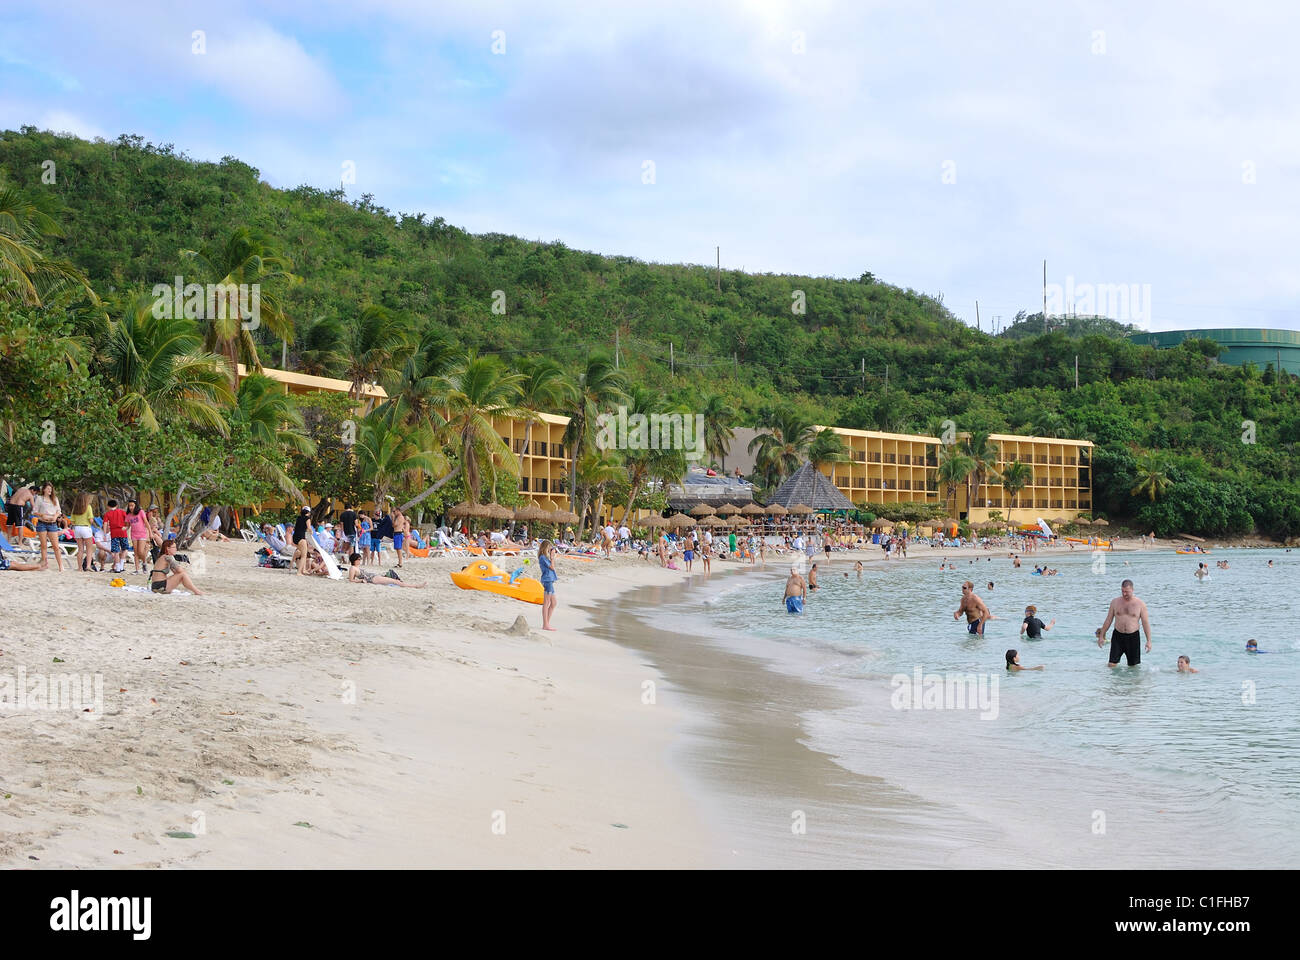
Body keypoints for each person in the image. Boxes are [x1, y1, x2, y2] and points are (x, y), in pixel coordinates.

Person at [1097, 578, 1152, 667]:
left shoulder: (1140, 604)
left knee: (1133, 667)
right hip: (1118, 636)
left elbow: (1145, 623)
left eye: (1127, 592)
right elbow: (1108, 620)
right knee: (1111, 664)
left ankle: (1128, 681)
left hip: (1133, 637)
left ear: (1132, 590)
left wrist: (1148, 641)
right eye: (1122, 591)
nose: (1124, 594)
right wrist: (1101, 636)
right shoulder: (1115, 602)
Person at [31, 481, 63, 572]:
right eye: (48, 488)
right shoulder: (39, 499)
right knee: (44, 545)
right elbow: (34, 511)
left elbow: (58, 511)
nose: (50, 490)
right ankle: (45, 564)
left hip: (52, 524)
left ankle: (60, 566)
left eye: (51, 489)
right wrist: (42, 515)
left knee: (56, 546)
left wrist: (55, 517)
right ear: (44, 489)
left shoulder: (55, 499)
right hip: (42, 523)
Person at [347, 553, 425, 587]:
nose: (360, 560)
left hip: (373, 577)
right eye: (359, 559)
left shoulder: (355, 567)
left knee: (393, 577)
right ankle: (415, 586)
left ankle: (412, 585)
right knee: (395, 581)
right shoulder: (353, 568)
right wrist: (361, 581)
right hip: (372, 579)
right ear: (354, 560)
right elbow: (351, 580)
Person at [68, 492, 96, 573]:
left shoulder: (75, 508)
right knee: (89, 549)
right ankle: (88, 566)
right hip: (86, 528)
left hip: (77, 528)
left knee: (80, 549)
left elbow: (72, 521)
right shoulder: (88, 507)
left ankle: (79, 567)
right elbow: (91, 520)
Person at [538, 539, 558, 631]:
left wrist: (551, 557)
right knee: (546, 603)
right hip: (547, 580)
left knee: (553, 603)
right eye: (549, 548)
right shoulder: (542, 557)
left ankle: (546, 623)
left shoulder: (545, 557)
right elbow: (552, 567)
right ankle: (545, 624)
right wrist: (552, 557)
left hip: (550, 580)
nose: (550, 550)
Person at [126, 499, 150, 574]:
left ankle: (144, 562)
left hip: (142, 534)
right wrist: (124, 528)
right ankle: (137, 569)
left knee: (140, 551)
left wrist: (150, 532)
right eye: (129, 506)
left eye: (132, 505)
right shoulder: (128, 515)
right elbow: (128, 525)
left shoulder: (141, 512)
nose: (131, 507)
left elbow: (146, 522)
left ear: (135, 506)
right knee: (136, 552)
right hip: (134, 534)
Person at [291, 505, 313, 575]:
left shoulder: (298, 518)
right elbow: (309, 528)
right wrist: (311, 532)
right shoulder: (307, 518)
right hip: (301, 537)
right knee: (304, 555)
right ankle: (299, 572)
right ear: (308, 512)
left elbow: (299, 527)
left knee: (301, 553)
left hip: (295, 537)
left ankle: (303, 570)